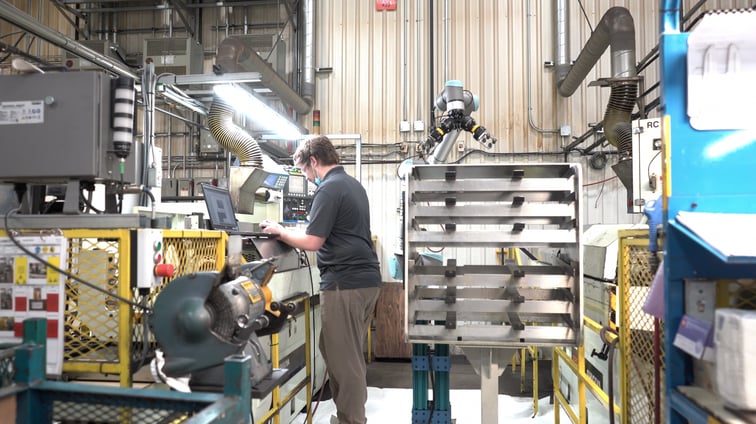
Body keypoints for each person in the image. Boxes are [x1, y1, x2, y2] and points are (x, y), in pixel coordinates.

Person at [260, 135, 382, 424]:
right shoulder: (352, 185)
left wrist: (280, 232)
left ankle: (352, 420)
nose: (307, 177)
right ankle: (346, 416)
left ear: (313, 162)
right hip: (364, 281)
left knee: (345, 360)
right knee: (335, 349)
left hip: (345, 284)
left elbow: (313, 241)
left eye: (304, 171)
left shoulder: (328, 189)